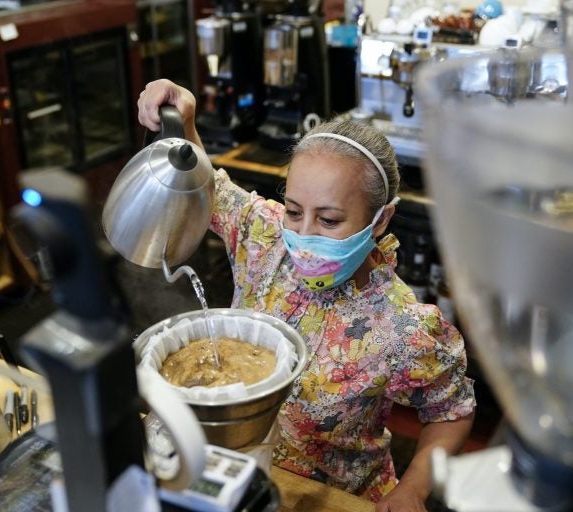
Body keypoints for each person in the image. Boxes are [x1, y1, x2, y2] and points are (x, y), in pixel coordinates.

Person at [137, 79, 476, 512]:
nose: (304, 235)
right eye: (295, 211)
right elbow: (209, 191)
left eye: (329, 220)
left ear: (379, 220)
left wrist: (413, 488)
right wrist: (183, 121)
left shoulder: (402, 327)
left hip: (334, 496)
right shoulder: (266, 237)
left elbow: (452, 411)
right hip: (244, 473)